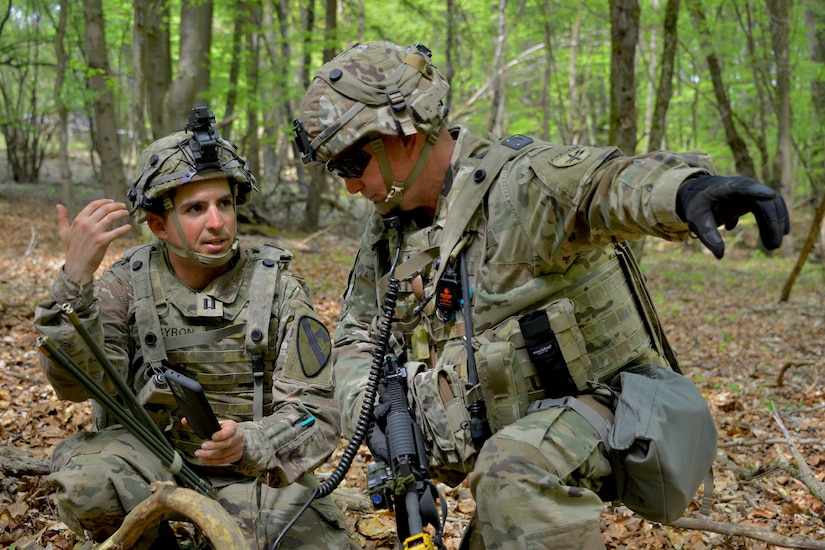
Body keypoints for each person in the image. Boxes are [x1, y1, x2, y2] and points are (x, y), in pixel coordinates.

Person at [293, 41, 790, 549]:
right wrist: (371, 409)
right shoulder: (389, 235)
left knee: (511, 475)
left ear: (406, 133)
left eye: (353, 163)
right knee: (506, 493)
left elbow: (605, 185)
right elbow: (357, 336)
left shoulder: (518, 185)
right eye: (338, 170)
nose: (351, 187)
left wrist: (687, 193)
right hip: (510, 437)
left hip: (618, 410)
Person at [33, 109, 358, 549]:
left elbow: (315, 414)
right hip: (148, 468)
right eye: (195, 209)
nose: (217, 222)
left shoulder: (277, 289)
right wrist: (74, 281)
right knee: (90, 481)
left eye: (224, 203)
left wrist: (252, 441)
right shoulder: (125, 286)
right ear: (159, 225)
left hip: (253, 477)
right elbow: (75, 385)